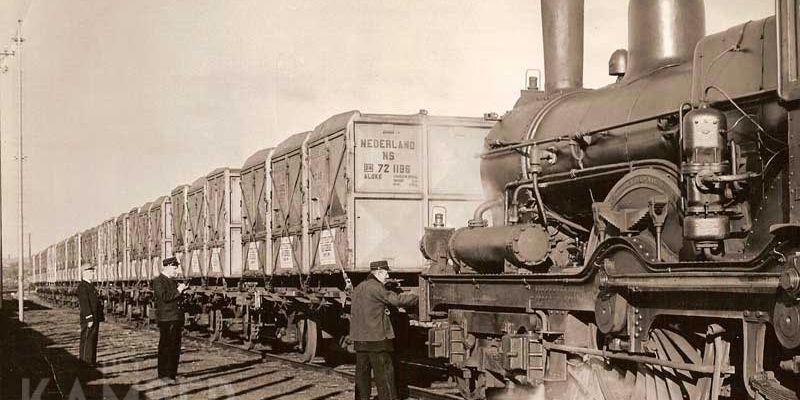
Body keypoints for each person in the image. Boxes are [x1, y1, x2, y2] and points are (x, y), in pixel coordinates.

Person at [350, 260, 418, 400]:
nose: (387, 275)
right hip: (377, 339)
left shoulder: (358, 287)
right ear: (379, 272)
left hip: (360, 339)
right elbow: (396, 300)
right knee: (384, 375)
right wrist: (416, 297)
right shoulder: (376, 287)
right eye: (386, 272)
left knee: (362, 375)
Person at [152, 256, 188, 384]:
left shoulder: (171, 281)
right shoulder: (158, 281)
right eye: (174, 267)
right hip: (167, 319)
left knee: (175, 347)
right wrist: (179, 290)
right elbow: (164, 297)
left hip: (175, 318)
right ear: (166, 267)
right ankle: (163, 375)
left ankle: (172, 374)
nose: (176, 270)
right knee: (166, 346)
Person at [77, 265, 104, 367]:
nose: (93, 274)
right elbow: (85, 304)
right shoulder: (83, 286)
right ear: (85, 273)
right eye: (91, 272)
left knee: (93, 339)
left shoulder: (90, 285)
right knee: (87, 339)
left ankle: (92, 360)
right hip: (89, 318)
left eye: (93, 272)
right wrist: (89, 318)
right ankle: (85, 361)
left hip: (94, 317)